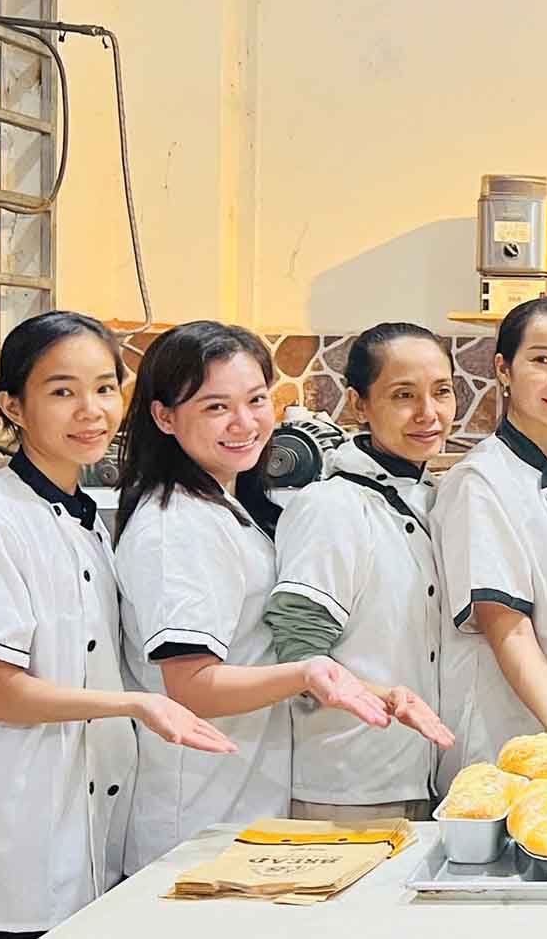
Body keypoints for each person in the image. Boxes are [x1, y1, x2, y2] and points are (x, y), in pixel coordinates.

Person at [0, 313, 232, 938]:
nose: (91, 410)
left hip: (90, 835)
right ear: (12, 405)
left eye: (104, 387)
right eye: (62, 391)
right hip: (14, 847)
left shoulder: (84, 521)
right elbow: (1, 693)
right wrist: (138, 704)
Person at [115, 321, 392, 870]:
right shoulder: (178, 527)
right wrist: (306, 673)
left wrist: (378, 691)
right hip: (194, 820)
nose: (244, 423)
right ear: (164, 417)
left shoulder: (225, 504)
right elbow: (190, 686)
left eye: (257, 400)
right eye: (216, 407)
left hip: (241, 807)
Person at [266, 322, 456, 821]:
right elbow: (299, 650)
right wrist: (386, 701)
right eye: (403, 395)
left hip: (424, 775)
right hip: (348, 785)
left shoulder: (434, 498)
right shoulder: (332, 505)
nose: (428, 413)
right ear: (358, 404)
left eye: (441, 392)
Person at [433, 297, 547, 781]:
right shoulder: (478, 482)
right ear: (503, 369)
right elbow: (504, 623)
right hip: (506, 743)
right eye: (542, 360)